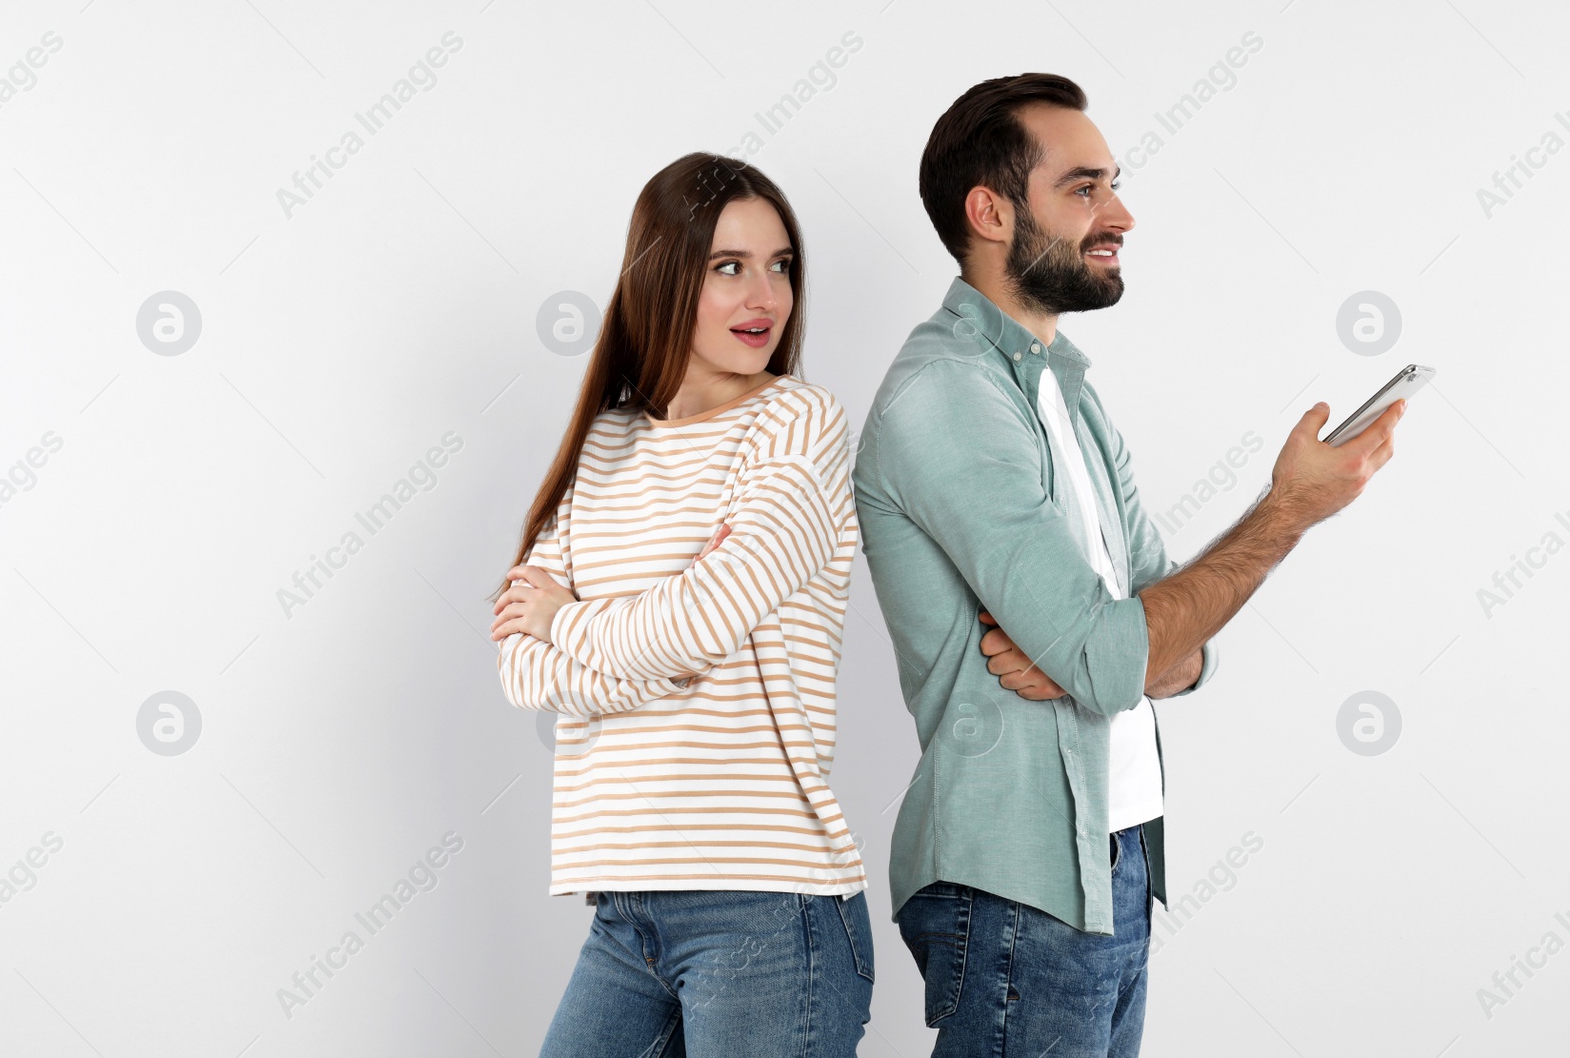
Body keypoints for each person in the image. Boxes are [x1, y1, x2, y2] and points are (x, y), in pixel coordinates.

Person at [851, 73, 1406, 1056]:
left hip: (1111, 866)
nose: (1121, 213)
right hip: (1018, 887)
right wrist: (1287, 513)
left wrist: (1135, 653)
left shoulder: (1066, 391)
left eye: (1113, 183)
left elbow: (1161, 645)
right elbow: (1121, 653)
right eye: (1084, 187)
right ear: (990, 211)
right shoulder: (947, 394)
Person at [490, 151, 873, 1058]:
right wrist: (668, 650)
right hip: (625, 910)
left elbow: (696, 620)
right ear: (663, 275)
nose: (765, 296)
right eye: (728, 267)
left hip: (766, 901)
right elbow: (519, 664)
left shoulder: (798, 423)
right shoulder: (604, 442)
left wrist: (572, 619)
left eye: (781, 265)